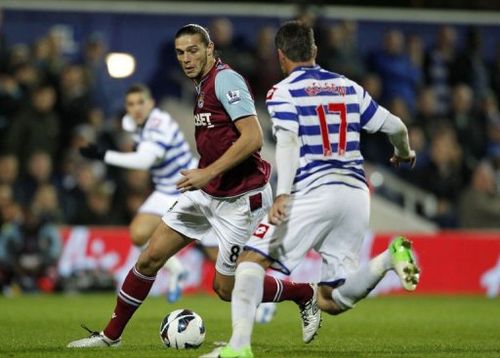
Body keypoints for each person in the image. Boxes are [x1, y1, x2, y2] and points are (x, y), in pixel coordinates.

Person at [67, 23, 318, 348]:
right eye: (180, 53)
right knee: (149, 258)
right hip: (207, 192)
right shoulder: (201, 84)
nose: (186, 58)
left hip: (242, 199)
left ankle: (303, 292)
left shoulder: (226, 80)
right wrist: (206, 177)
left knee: (226, 289)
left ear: (210, 48)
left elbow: (253, 137)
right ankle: (110, 336)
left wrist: (207, 171)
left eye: (193, 50)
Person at [215, 21, 420, 358]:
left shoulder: (281, 92)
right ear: (314, 52)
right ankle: (387, 258)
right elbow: (396, 126)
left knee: (250, 262)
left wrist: (282, 193)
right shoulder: (348, 87)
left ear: (281, 57)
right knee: (331, 298)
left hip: (314, 189)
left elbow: (289, 140)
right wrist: (403, 152)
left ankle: (238, 348)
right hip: (356, 193)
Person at [79, 83, 207, 301]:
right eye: (131, 104)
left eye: (141, 102)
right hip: (166, 189)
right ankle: (177, 269)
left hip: (191, 185)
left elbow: (145, 160)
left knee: (216, 252)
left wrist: (104, 156)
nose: (136, 108)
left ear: (151, 104)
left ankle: (258, 292)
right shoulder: (136, 124)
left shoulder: (159, 122)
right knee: (138, 234)